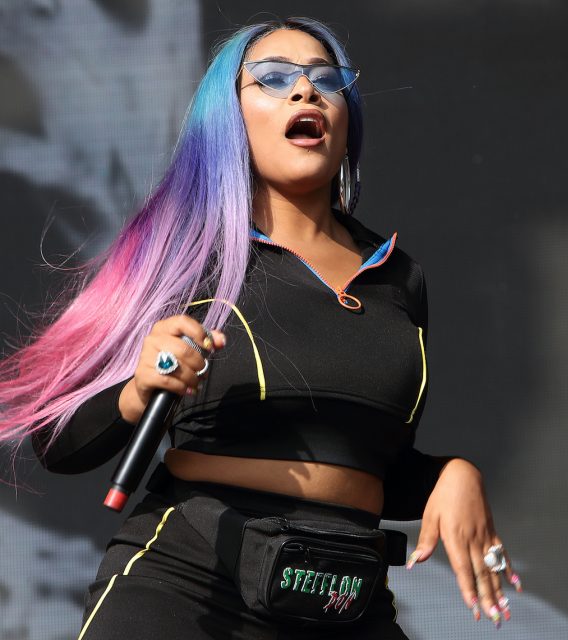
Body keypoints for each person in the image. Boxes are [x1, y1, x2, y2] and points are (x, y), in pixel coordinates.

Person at [0, 17, 521, 639]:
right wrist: (139, 390)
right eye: (273, 78)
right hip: (188, 587)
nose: (305, 91)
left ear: (347, 121)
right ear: (229, 118)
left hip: (341, 596)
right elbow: (58, 443)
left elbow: (363, 462)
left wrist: (450, 476)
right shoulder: (185, 254)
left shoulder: (398, 276)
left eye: (326, 79)